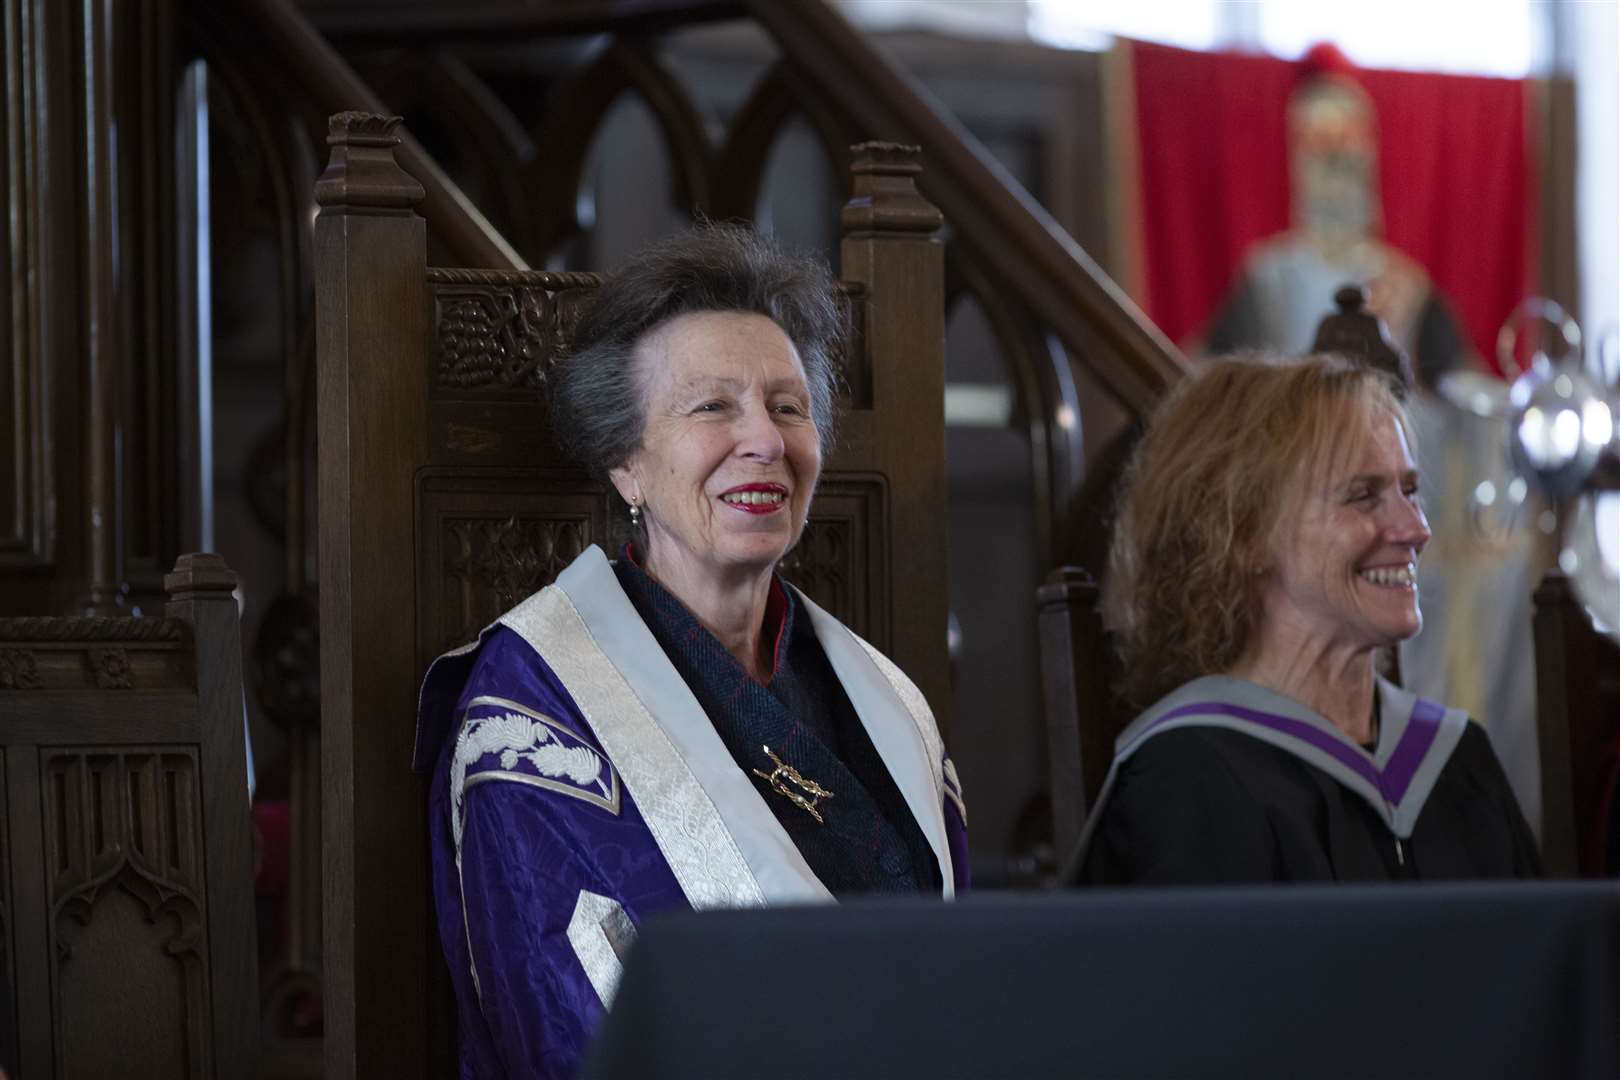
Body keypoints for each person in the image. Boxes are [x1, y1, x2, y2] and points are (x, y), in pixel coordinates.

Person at [413, 224, 968, 1079]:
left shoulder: (887, 702)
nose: (766, 441)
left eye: (789, 407)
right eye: (713, 406)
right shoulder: (534, 717)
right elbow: (573, 1035)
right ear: (626, 465)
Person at [1071, 353, 1538, 885]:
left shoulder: (1455, 759)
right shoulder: (1188, 778)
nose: (1415, 529)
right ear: (1243, 535)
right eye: (1363, 497)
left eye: (1409, 490)